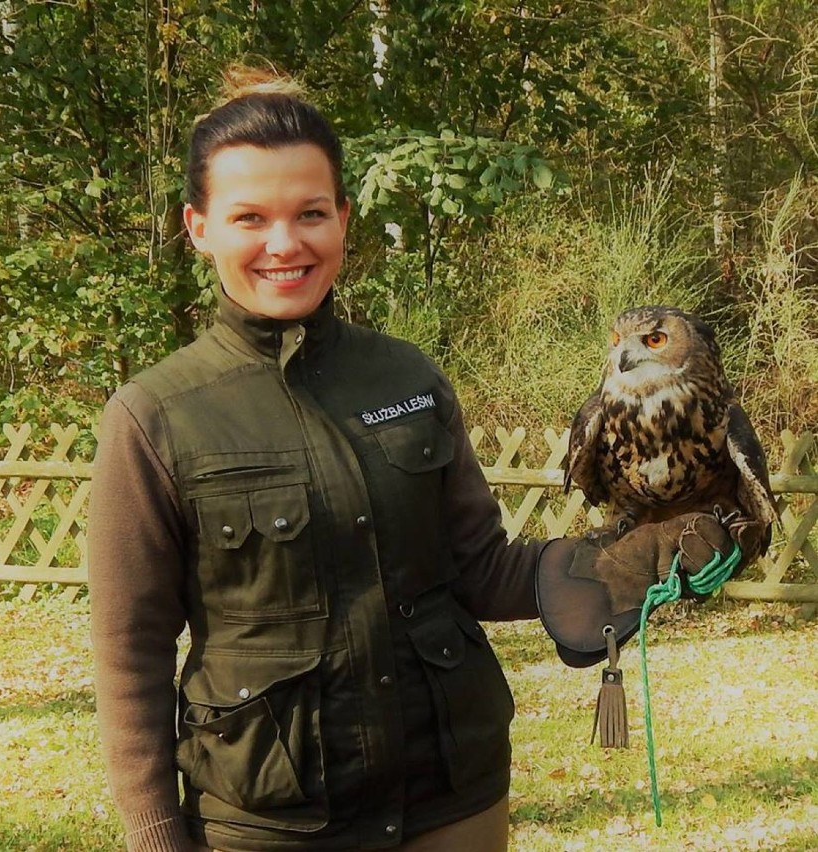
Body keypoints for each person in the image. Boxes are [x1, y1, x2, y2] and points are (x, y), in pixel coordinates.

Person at [88, 66, 738, 852]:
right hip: (274, 818)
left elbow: (474, 564)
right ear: (199, 228)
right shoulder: (155, 414)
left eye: (311, 213)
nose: (284, 243)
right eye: (249, 217)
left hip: (454, 796)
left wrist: (609, 563)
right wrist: (157, 838)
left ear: (344, 220)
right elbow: (131, 654)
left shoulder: (406, 375)